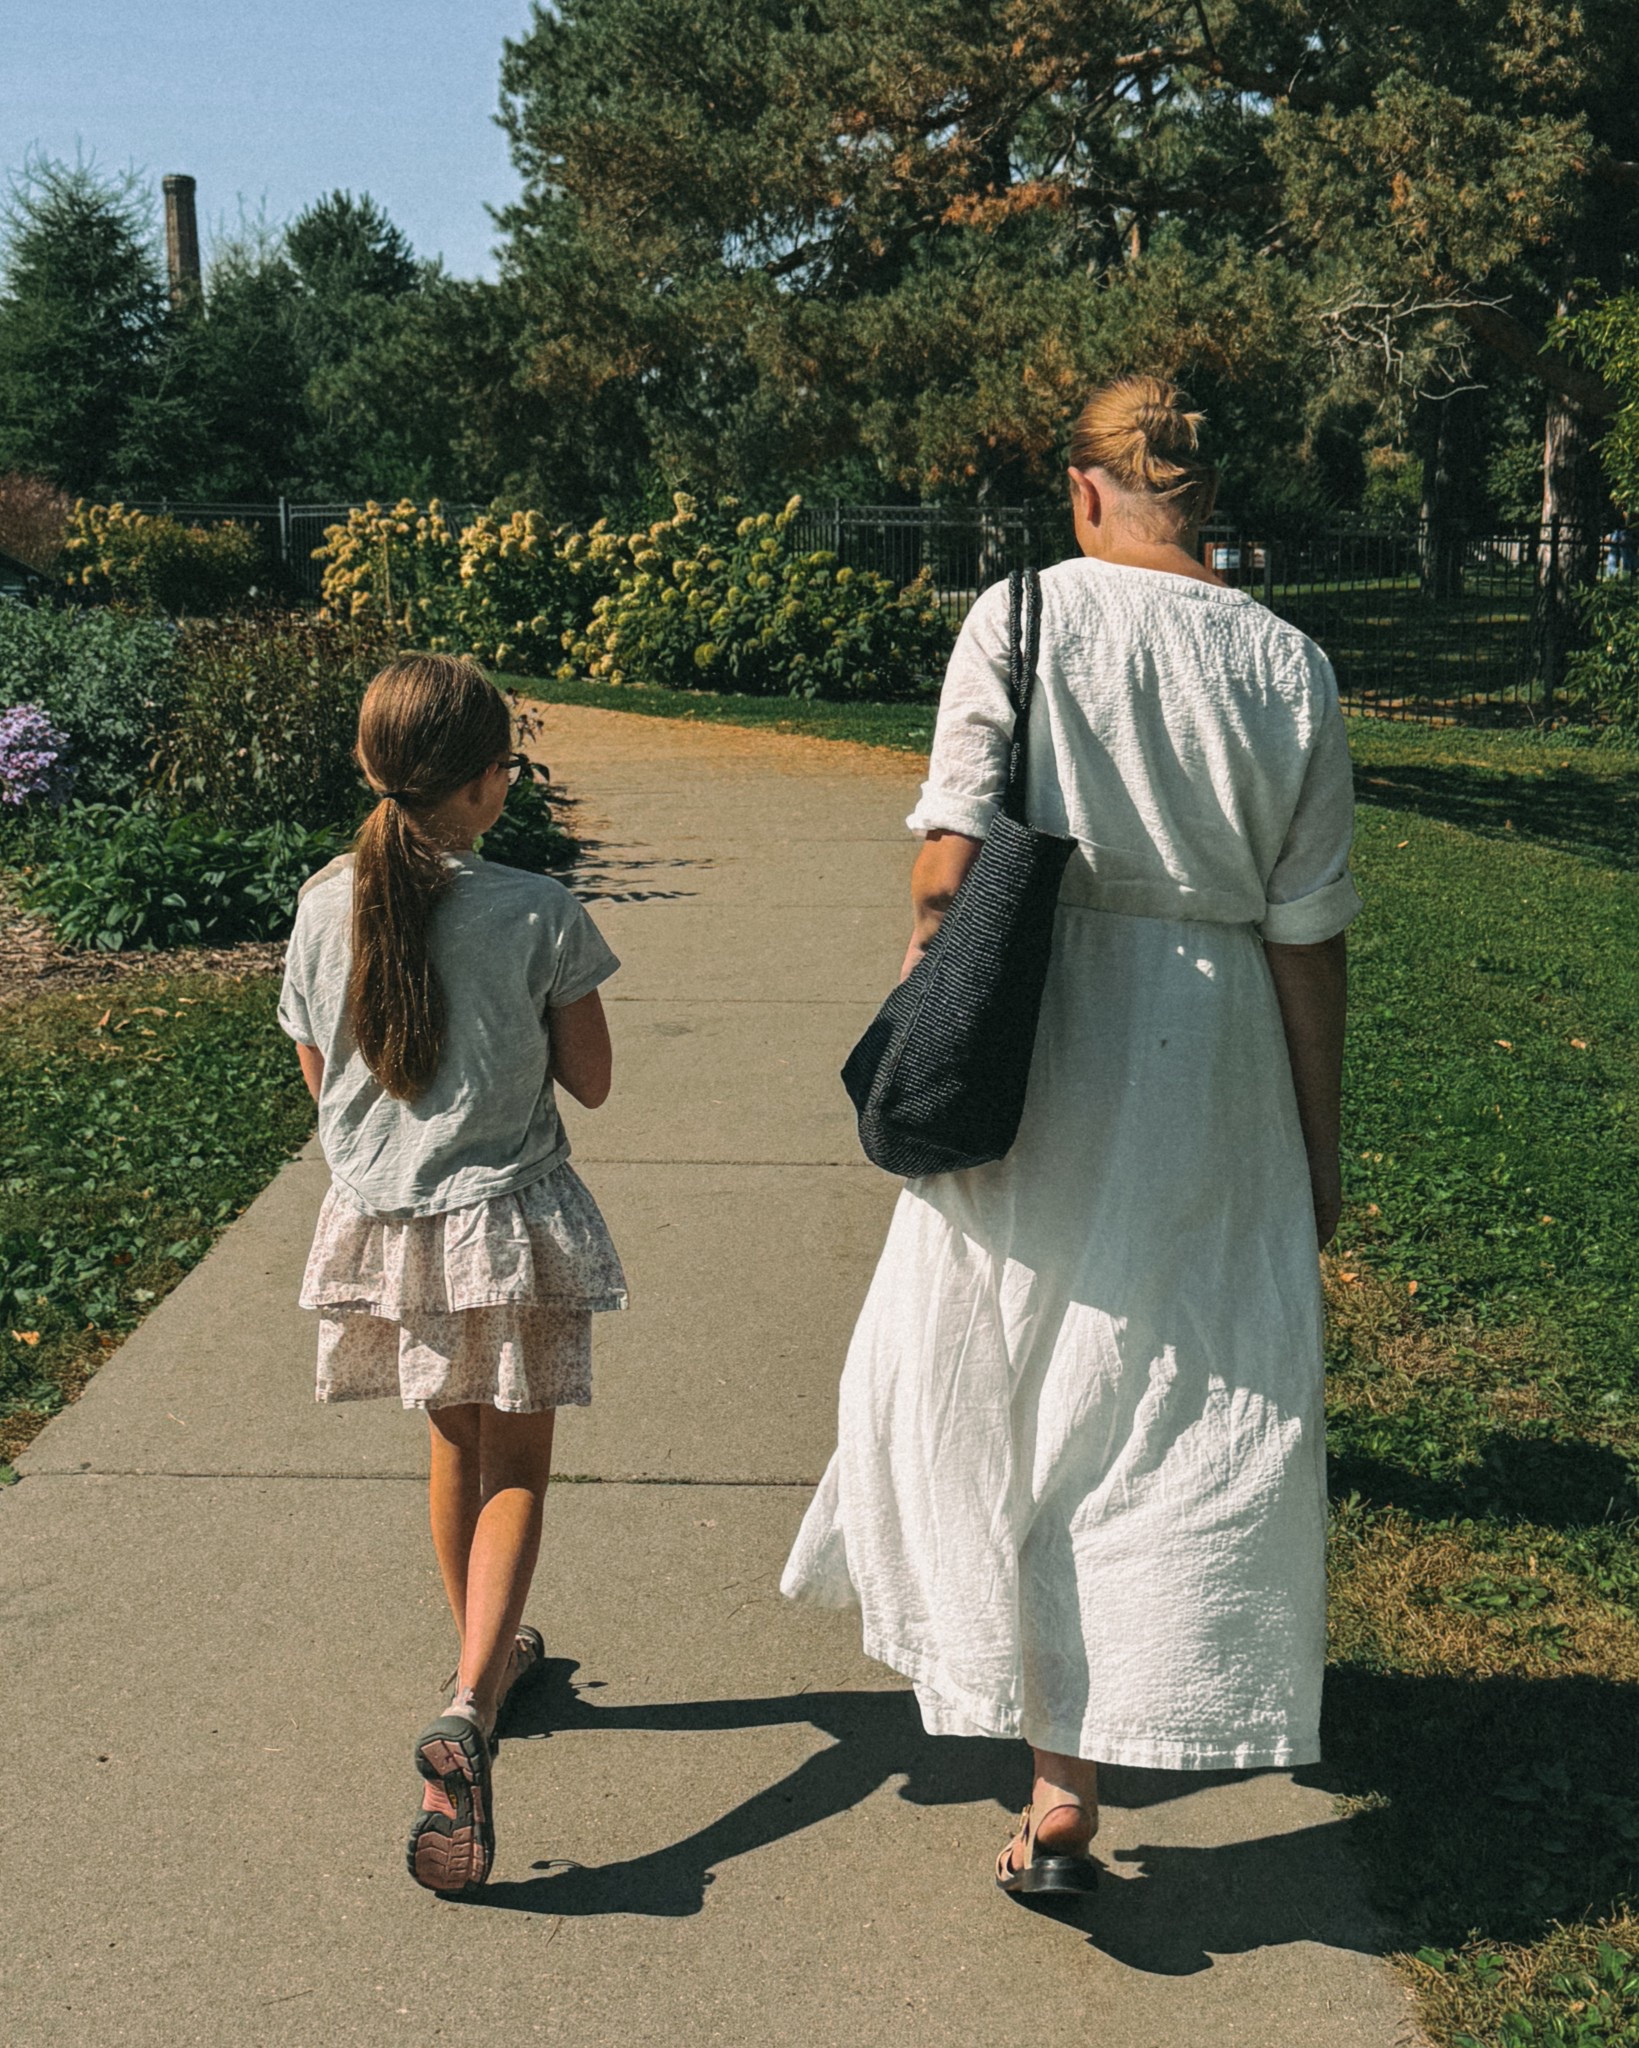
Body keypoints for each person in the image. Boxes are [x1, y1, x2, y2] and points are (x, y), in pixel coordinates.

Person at [782, 375, 1360, 1897]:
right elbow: (1309, 940)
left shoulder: (1025, 611)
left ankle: (1054, 1766)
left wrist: (928, 1004)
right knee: (1171, 1392)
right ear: (1203, 497)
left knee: (1001, 1367)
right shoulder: (1289, 664)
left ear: (1085, 488)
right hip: (1213, 1053)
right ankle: (1098, 1734)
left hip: (1038, 1030)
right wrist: (1315, 1143)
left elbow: (945, 869)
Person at [278, 653, 626, 1894]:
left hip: (391, 1223)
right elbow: (591, 1079)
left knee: (451, 1442)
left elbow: (322, 1080)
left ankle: (479, 1659)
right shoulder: (536, 909)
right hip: (506, 1217)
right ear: (486, 782)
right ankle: (473, 1703)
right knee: (516, 1459)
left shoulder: (324, 903)